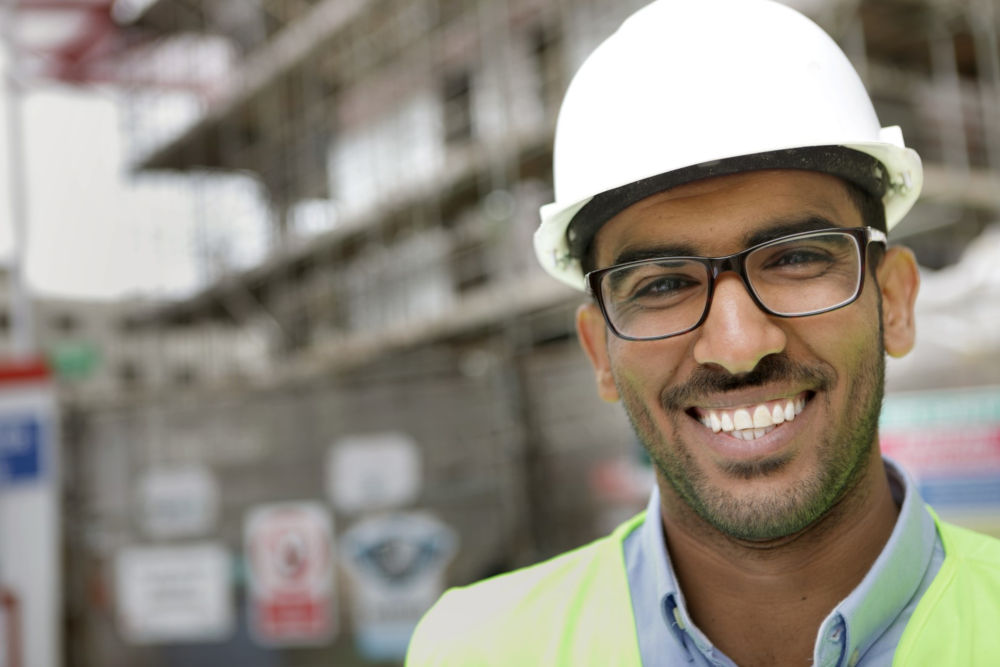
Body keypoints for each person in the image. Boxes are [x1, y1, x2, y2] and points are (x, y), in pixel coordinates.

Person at [406, 0, 1000, 664]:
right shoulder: (475, 648)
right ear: (599, 350)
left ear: (893, 301)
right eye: (661, 283)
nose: (739, 345)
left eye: (797, 257)